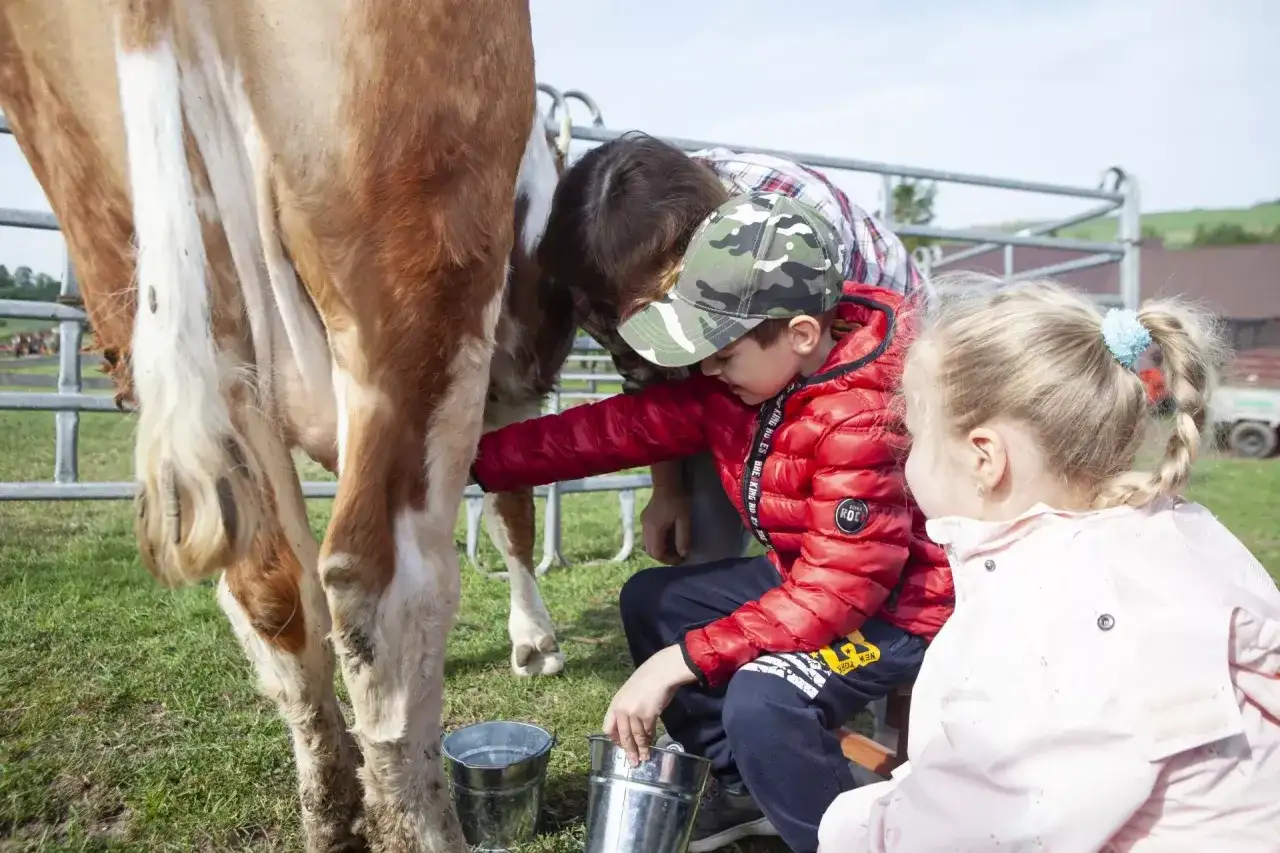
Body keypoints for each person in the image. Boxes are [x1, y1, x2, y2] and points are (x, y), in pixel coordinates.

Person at [473, 191, 952, 853]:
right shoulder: (752, 379)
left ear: (802, 334)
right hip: (812, 582)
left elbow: (839, 594)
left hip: (893, 612)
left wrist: (680, 661)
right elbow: (619, 427)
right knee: (654, 600)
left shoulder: (859, 418)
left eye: (721, 353)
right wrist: (472, 461)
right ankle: (742, 787)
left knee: (763, 699)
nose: (704, 368)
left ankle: (840, 840)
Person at [817, 273, 1280, 852]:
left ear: (984, 457)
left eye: (913, 437)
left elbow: (997, 827)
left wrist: (853, 829)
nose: (906, 462)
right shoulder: (1168, 535)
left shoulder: (1054, 612)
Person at [537, 132, 924, 569]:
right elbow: (648, 379)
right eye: (615, 298)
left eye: (648, 295)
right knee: (703, 552)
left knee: (866, 544)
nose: (623, 312)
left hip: (876, 374)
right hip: (739, 378)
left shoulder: (796, 218)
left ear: (691, 248)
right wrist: (670, 490)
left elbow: (855, 365)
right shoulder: (598, 281)